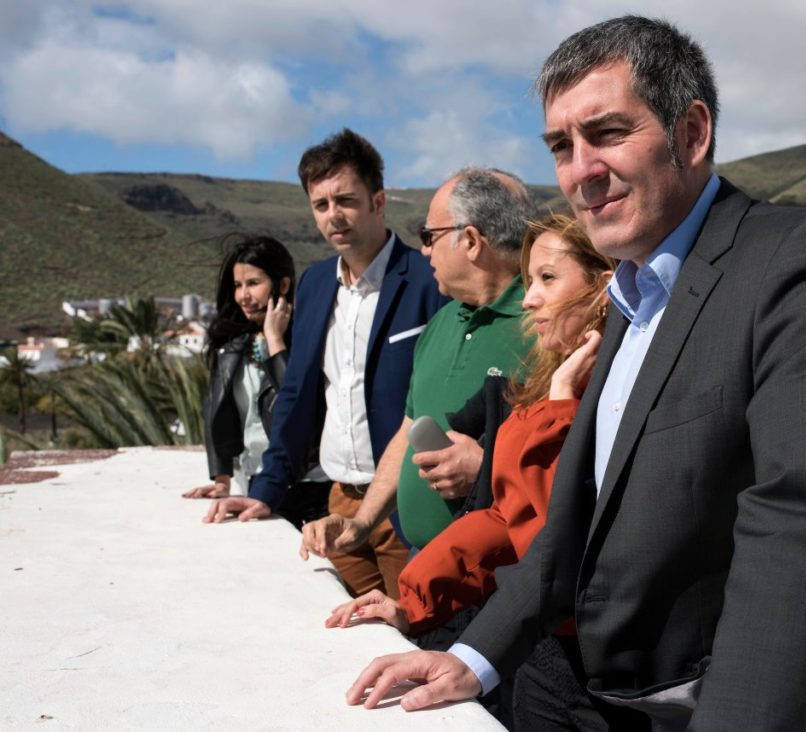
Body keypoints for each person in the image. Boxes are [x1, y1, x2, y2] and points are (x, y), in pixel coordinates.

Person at [345, 16, 806, 731]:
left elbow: (805, 527)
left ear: (692, 132)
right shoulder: (633, 293)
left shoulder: (797, 261)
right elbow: (575, 525)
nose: (581, 170)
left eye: (608, 133)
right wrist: (475, 655)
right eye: (561, 146)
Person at [323, 215, 613, 729]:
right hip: (539, 651)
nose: (529, 298)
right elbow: (503, 519)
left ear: (604, 285)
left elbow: (556, 537)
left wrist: (562, 403)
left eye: (548, 278)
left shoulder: (613, 390)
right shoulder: (541, 383)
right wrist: (410, 603)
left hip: (607, 665)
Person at [204, 129, 446, 600]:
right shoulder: (315, 286)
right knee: (352, 636)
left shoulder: (426, 279)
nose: (333, 216)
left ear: (378, 201)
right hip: (337, 505)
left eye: (346, 200)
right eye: (321, 204)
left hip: (408, 504)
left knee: (416, 640)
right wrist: (265, 490)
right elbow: (296, 395)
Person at [299, 167, 536, 562]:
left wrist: (488, 468)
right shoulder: (443, 320)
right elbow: (409, 430)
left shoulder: (545, 325)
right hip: (425, 562)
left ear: (472, 241)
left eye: (430, 236)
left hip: (498, 580)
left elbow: (578, 459)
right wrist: (362, 523)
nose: (424, 249)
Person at [185, 235, 321, 527]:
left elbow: (298, 406)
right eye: (237, 285)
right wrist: (221, 480)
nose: (243, 295)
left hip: (307, 489)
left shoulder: (307, 339)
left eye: (253, 283)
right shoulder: (232, 347)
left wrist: (275, 340)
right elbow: (217, 412)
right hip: (253, 486)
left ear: (282, 285)